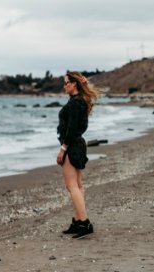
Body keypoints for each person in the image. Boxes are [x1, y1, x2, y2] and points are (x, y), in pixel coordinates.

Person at [56, 71, 98, 239]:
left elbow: (71, 128)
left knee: (72, 186)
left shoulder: (75, 103)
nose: (64, 86)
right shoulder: (80, 100)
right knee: (78, 186)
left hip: (72, 145)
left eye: (66, 83)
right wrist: (85, 85)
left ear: (74, 84)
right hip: (79, 144)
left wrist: (63, 148)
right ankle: (78, 221)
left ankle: (85, 223)